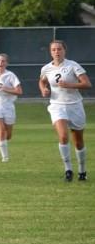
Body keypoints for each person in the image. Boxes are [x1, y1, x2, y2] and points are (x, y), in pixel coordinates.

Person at [39, 40, 90, 182]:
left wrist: (70, 85)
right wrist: (44, 89)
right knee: (63, 136)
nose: (56, 52)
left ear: (64, 51)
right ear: (50, 52)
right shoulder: (46, 68)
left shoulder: (73, 65)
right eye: (54, 49)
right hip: (57, 105)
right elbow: (42, 81)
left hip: (75, 105)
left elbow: (87, 84)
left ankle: (82, 170)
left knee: (78, 142)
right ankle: (68, 170)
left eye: (59, 49)